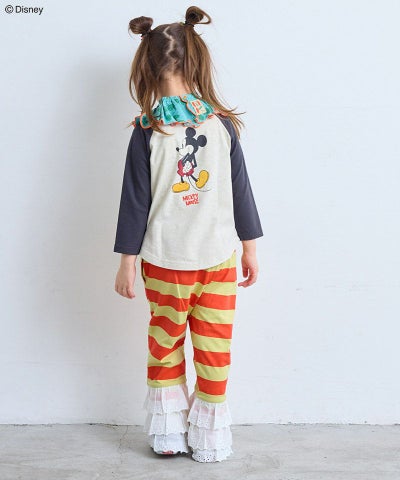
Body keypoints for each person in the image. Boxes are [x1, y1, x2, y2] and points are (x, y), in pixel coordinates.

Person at [113, 5, 263, 463]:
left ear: (146, 68)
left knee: (165, 345)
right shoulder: (219, 125)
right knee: (215, 350)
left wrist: (127, 263)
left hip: (165, 263)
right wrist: (250, 249)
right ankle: (207, 438)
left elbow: (135, 201)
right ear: (197, 61)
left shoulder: (149, 131)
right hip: (217, 260)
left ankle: (170, 435)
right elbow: (242, 191)